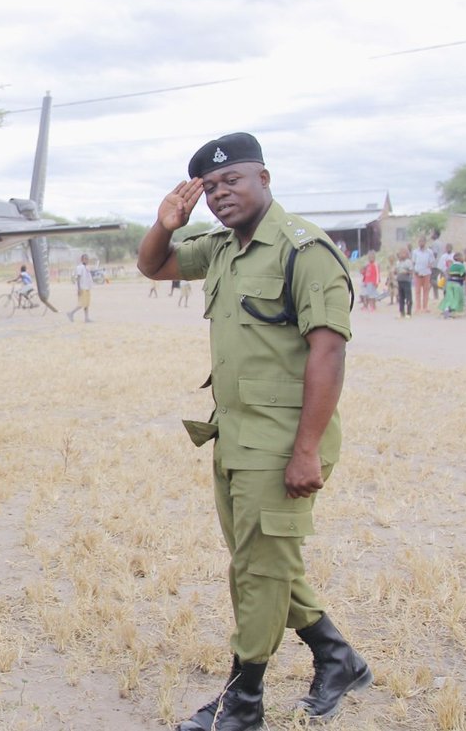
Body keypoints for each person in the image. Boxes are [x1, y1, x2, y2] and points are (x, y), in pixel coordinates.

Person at [137, 132, 370, 731]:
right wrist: (167, 222)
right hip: (233, 436)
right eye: (209, 188)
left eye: (232, 181)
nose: (220, 195)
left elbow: (328, 353)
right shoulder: (220, 249)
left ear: (264, 177)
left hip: (285, 441)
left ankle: (243, 703)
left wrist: (308, 452)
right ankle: (336, 656)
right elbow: (153, 265)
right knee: (259, 561)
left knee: (257, 570)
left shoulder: (304, 250)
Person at [67, 253, 95, 322]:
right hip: (82, 288)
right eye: (85, 259)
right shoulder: (80, 267)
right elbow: (78, 278)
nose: (87, 260)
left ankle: (86, 318)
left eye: (87, 259)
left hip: (87, 288)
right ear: (82, 260)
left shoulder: (86, 268)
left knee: (86, 304)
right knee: (81, 304)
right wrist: (79, 289)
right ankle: (71, 313)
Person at [411, 237, 436, 313]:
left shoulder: (429, 252)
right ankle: (418, 307)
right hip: (417, 273)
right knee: (417, 291)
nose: (421, 243)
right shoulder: (415, 252)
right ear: (418, 243)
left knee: (426, 290)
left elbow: (432, 262)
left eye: (422, 241)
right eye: (420, 241)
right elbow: (413, 262)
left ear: (425, 242)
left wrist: (429, 267)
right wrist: (414, 271)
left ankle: (425, 307)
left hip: (426, 273)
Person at [440, 252, 466, 318]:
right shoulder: (461, 266)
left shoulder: (451, 266)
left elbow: (448, 274)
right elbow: (463, 275)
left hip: (449, 283)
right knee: (455, 298)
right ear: (460, 258)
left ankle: (446, 309)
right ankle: (451, 311)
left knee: (449, 298)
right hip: (457, 284)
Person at [394, 247, 414, 318]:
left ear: (407, 254)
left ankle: (409, 312)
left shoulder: (408, 262)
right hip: (400, 281)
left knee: (408, 298)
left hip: (406, 281)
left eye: (403, 253)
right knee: (401, 298)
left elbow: (411, 271)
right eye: (400, 253)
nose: (401, 255)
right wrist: (395, 271)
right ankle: (401, 312)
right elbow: (395, 271)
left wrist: (407, 272)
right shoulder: (398, 262)